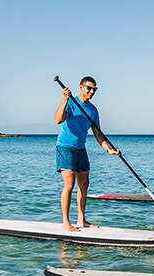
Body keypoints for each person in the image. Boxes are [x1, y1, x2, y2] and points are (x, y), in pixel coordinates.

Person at [54, 76, 120, 232]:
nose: (91, 91)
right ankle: (65, 222)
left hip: (80, 148)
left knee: (84, 184)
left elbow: (97, 133)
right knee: (69, 184)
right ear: (81, 88)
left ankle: (81, 220)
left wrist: (108, 149)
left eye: (94, 89)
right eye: (89, 88)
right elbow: (58, 119)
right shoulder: (71, 102)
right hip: (65, 146)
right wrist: (64, 99)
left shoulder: (93, 110)